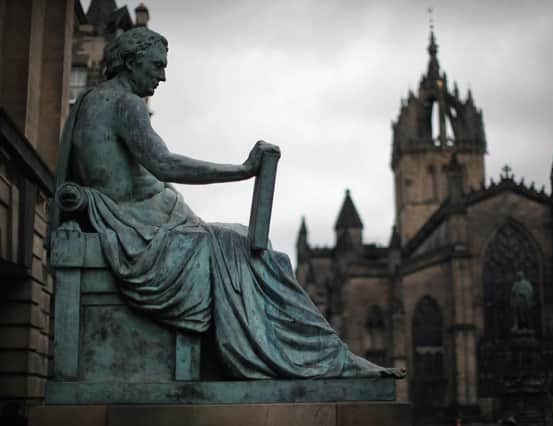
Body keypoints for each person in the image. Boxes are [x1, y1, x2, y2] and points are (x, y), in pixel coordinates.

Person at [54, 27, 402, 379]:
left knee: (249, 248)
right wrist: (243, 170)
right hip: (139, 230)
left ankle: (328, 355)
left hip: (134, 222)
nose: (162, 75)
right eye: (157, 66)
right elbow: (165, 164)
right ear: (131, 62)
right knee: (255, 255)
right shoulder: (126, 103)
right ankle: (325, 360)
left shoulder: (88, 101)